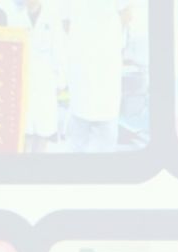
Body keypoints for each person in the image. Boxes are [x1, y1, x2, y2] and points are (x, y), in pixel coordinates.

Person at [63, 0, 126, 151]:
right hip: (82, 64)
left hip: (107, 63)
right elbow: (65, 22)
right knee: (78, 129)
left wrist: (108, 38)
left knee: (106, 130)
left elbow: (127, 13)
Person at [17, 0, 65, 151]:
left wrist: (61, 82)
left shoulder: (51, 18)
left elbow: (59, 50)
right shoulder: (17, 18)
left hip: (46, 82)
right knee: (25, 132)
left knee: (43, 131)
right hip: (23, 82)